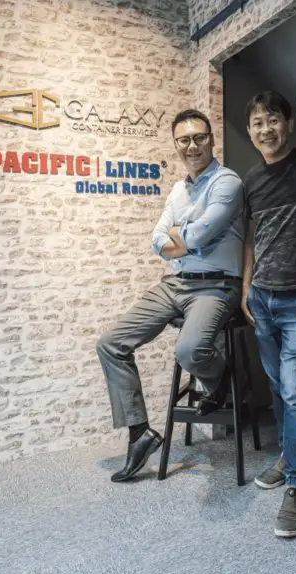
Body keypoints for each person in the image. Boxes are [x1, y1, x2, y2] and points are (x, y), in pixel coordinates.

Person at [97, 109, 245, 483]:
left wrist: (181, 235)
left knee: (189, 350)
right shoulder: (178, 190)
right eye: (184, 140)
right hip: (175, 283)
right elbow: (157, 238)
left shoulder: (228, 183)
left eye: (199, 137)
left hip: (216, 285)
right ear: (176, 144)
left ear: (212, 139)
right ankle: (139, 434)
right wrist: (180, 238)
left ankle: (222, 377)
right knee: (111, 343)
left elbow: (198, 235)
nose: (192, 146)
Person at [241, 86, 296, 538]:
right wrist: (246, 287)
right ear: (249, 131)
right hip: (262, 299)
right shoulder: (250, 181)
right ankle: (290, 454)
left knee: (295, 391)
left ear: (288, 123)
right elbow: (253, 238)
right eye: (257, 123)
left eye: (273, 119)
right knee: (277, 387)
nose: (266, 129)